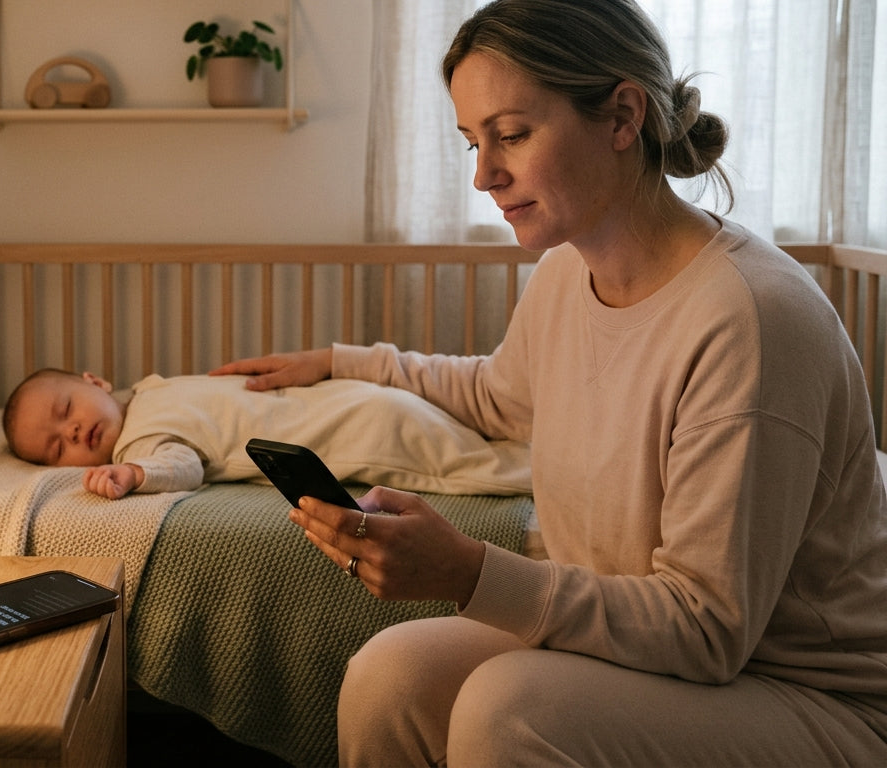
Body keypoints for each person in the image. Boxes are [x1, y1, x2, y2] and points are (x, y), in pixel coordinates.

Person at [210, 0, 887, 765]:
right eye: (473, 142)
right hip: (647, 652)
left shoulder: (749, 320)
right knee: (387, 673)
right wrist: (343, 360)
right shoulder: (568, 272)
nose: (483, 175)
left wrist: (468, 571)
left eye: (512, 135)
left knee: (511, 712)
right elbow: (498, 397)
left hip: (804, 693)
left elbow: (708, 629)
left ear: (623, 115)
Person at [0, 368, 531, 500]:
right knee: (475, 462)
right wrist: (136, 474)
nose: (71, 429)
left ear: (95, 381)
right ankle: (566, 472)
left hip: (343, 400)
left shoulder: (150, 391)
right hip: (348, 427)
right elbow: (183, 468)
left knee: (479, 452)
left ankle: (568, 468)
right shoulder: (141, 445)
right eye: (57, 446)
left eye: (66, 407)